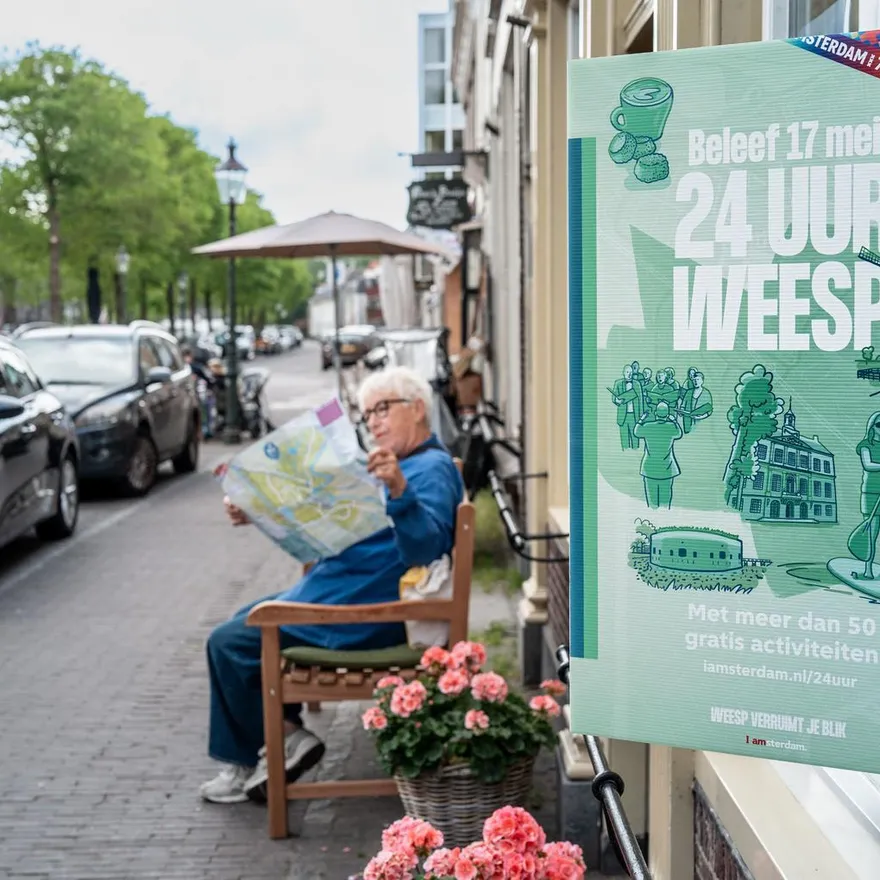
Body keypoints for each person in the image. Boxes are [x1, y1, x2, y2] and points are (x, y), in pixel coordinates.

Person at [199, 366, 464, 804]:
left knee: (230, 641)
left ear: (418, 409)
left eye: (383, 408)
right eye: (367, 415)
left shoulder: (428, 469)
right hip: (340, 592)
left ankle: (272, 746)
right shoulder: (409, 463)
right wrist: (258, 509)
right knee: (237, 627)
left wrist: (399, 489)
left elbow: (427, 547)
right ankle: (284, 737)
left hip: (359, 612)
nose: (374, 421)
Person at [634, 400, 683, 509]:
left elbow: (636, 432)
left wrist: (642, 419)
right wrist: (674, 420)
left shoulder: (647, 426)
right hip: (668, 469)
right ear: (667, 414)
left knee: (651, 503)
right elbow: (679, 433)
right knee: (666, 502)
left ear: (656, 413)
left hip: (649, 468)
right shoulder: (671, 428)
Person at [856, 411, 880, 580]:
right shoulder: (865, 444)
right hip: (871, 492)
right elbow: (868, 465)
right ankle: (868, 570)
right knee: (871, 534)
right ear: (872, 426)